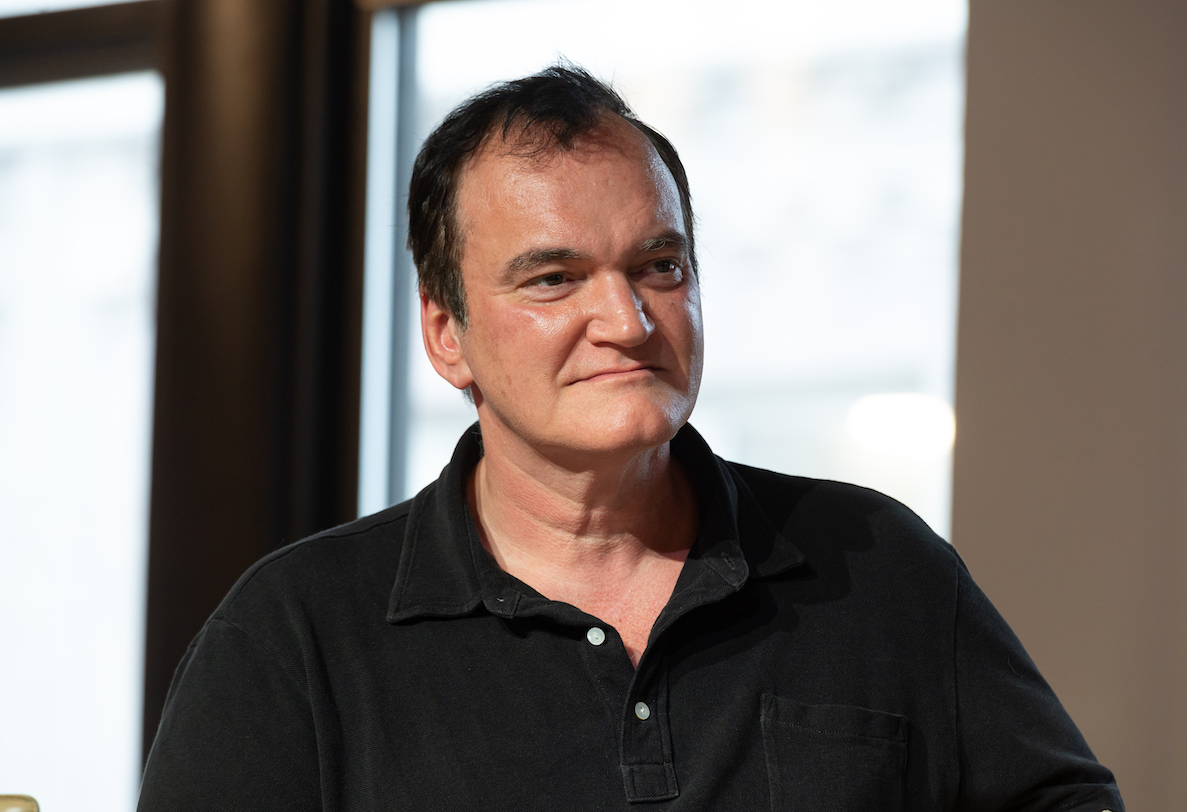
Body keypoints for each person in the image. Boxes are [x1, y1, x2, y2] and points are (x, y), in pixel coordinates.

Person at [137, 66, 1123, 812]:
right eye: (554, 279)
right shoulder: (294, 635)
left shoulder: (878, 565)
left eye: (659, 265)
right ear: (446, 334)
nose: (628, 319)